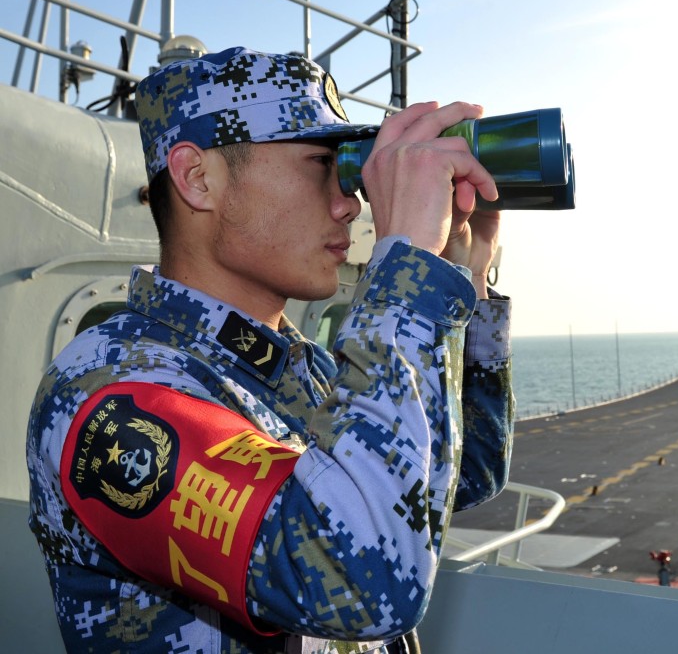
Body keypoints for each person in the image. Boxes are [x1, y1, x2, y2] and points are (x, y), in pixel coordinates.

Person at [26, 46, 514, 653]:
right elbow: (362, 580)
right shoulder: (110, 393)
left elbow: (468, 473)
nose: (350, 204)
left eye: (349, 173)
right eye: (320, 166)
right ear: (197, 178)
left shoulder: (293, 364)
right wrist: (404, 274)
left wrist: (465, 274)